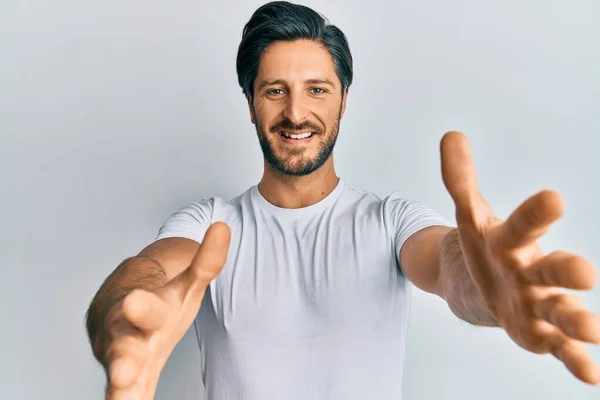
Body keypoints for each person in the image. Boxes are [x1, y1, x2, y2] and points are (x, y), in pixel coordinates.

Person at [84, 2, 600, 399]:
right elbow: (148, 273)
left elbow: (449, 265)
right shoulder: (209, 223)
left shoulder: (391, 220)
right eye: (274, 91)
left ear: (344, 101)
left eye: (316, 90)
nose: (295, 112)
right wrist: (123, 321)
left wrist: (492, 287)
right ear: (249, 104)